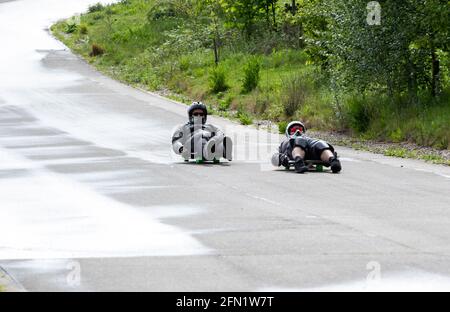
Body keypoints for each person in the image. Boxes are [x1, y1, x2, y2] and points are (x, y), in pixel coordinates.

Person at [272, 121, 342, 173]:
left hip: (310, 151)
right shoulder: (286, 142)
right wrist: (281, 158)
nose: (298, 131)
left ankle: (333, 160)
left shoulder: (308, 139)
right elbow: (274, 156)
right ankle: (298, 161)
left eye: (300, 129)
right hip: (293, 152)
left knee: (320, 143)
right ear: (288, 132)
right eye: (294, 130)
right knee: (299, 140)